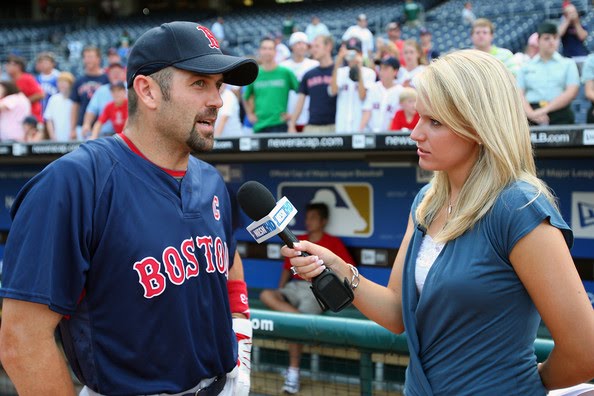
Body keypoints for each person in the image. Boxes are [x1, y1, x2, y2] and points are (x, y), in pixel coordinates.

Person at [281, 49, 594, 395]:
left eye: (434, 122)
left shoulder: (518, 205)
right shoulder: (426, 202)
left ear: (477, 126)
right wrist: (337, 267)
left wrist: (521, 383)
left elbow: (585, 350)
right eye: (418, 118)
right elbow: (397, 313)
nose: (415, 133)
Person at [0, 21, 259, 395]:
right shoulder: (74, 183)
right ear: (148, 91)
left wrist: (241, 325)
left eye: (218, 85)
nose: (218, 100)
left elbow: (229, 261)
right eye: (199, 83)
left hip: (225, 384)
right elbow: (22, 341)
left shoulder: (212, 181)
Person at [260, 202, 355, 394]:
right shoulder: (298, 239)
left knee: (293, 327)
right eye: (307, 217)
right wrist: (281, 293)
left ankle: (293, 372)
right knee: (266, 295)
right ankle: (300, 322)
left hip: (317, 290)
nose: (308, 221)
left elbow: (348, 272)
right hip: (293, 288)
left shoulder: (333, 243)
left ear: (323, 221)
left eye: (313, 218)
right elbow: (287, 270)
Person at [517, 21, 579, 125]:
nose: (552, 42)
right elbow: (519, 94)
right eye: (547, 38)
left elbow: (571, 92)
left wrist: (544, 110)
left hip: (560, 112)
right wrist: (531, 114)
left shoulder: (568, 64)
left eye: (555, 38)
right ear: (538, 40)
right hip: (531, 113)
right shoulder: (526, 66)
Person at [243, 37, 299, 133]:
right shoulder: (254, 73)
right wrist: (249, 114)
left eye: (270, 48)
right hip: (259, 126)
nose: (267, 52)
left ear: (275, 52)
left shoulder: (285, 72)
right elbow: (245, 96)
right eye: (264, 48)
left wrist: (293, 115)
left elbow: (302, 92)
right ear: (259, 51)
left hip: (279, 125)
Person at [289, 34, 337, 133]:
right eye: (312, 47)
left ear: (328, 46)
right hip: (313, 126)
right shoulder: (309, 74)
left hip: (335, 125)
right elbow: (300, 102)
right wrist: (292, 124)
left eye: (317, 46)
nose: (313, 50)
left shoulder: (340, 72)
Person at [330, 37, 377, 133]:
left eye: (356, 53)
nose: (353, 56)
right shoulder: (341, 72)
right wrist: (338, 62)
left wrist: (359, 68)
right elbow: (333, 91)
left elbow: (362, 96)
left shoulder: (369, 73)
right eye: (350, 52)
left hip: (360, 127)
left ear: (361, 54)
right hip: (342, 126)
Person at [281, 32, 319, 132]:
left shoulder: (314, 65)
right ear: (292, 46)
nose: (301, 46)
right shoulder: (283, 66)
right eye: (298, 43)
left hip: (310, 116)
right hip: (288, 116)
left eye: (303, 43)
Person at [70, 46, 109, 140]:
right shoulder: (79, 81)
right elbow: (75, 106)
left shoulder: (107, 79)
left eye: (91, 57)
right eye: (86, 57)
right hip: (83, 127)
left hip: (103, 127)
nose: (88, 60)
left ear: (98, 59)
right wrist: (72, 129)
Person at [82, 62, 127, 138]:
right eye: (112, 72)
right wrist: (88, 127)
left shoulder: (132, 88)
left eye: (118, 72)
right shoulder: (108, 103)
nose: (117, 94)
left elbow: (130, 121)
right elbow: (97, 120)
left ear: (124, 92)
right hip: (109, 135)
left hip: (129, 136)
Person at [360, 57, 403, 132]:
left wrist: (385, 137)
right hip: (371, 134)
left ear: (395, 72)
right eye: (381, 68)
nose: (381, 72)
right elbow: (367, 111)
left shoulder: (401, 91)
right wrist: (359, 131)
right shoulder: (373, 88)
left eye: (385, 69)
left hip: (390, 136)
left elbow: (395, 118)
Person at [4, 54, 44, 122]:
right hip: (17, 119)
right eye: (7, 64)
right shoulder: (10, 81)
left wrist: (24, 102)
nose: (7, 67)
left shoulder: (27, 78)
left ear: (18, 67)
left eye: (9, 64)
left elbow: (40, 94)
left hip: (31, 119)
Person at [43, 71, 75, 141]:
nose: (61, 85)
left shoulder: (75, 100)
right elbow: (48, 119)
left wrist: (73, 131)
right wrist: (52, 135)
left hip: (72, 137)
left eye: (64, 82)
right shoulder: (53, 99)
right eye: (60, 82)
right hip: (57, 137)